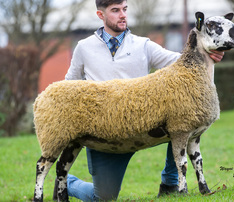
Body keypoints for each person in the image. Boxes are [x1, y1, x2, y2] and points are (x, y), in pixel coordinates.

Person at [64, 0, 224, 201]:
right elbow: (69, 87)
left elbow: (181, 61)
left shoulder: (143, 45)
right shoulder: (83, 48)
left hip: (143, 127)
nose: (123, 15)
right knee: (103, 198)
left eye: (124, 9)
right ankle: (66, 182)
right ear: (100, 15)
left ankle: (169, 183)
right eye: (115, 11)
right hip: (107, 136)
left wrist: (208, 53)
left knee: (181, 120)